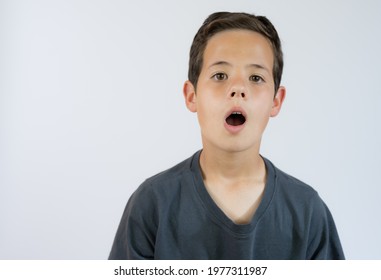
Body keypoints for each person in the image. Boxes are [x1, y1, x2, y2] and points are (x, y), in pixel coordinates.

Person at [108, 12, 345, 260]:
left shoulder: (307, 210)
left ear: (276, 100)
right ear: (192, 95)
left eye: (256, 77)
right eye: (220, 75)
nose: (238, 88)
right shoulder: (152, 204)